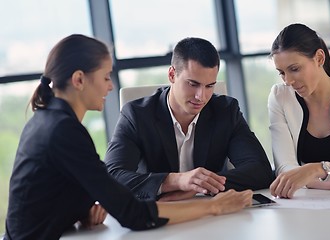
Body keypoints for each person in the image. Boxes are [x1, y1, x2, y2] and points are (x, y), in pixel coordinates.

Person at [4, 34, 254, 240]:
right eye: (104, 77)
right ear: (79, 79)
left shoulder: (48, 120)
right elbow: (133, 214)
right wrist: (213, 206)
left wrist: (79, 210)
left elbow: (63, 187)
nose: (110, 86)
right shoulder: (63, 131)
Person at [104, 37, 274, 202]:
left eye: (209, 86)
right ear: (172, 75)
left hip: (212, 213)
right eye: (193, 84)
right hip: (161, 215)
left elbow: (260, 171)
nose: (201, 96)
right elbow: (112, 177)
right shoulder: (137, 115)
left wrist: (198, 186)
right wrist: (177, 181)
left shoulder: (225, 111)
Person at [268, 23, 330, 199]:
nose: (288, 81)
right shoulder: (280, 97)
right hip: (307, 205)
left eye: (294, 69)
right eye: (281, 73)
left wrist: (316, 169)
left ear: (319, 58)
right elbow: (285, 169)